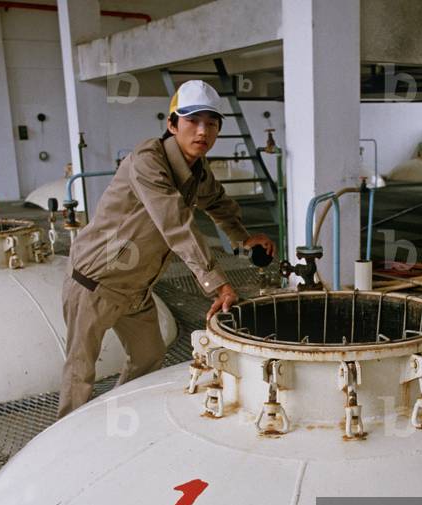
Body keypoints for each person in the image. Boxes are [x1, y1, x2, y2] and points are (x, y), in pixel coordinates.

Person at [57, 80, 275, 418]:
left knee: (148, 357)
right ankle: (65, 446)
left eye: (212, 122)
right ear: (172, 125)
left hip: (138, 287)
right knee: (80, 373)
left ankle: (122, 419)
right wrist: (216, 282)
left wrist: (243, 238)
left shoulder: (198, 172)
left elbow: (218, 202)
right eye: (192, 121)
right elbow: (174, 221)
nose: (202, 131)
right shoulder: (148, 160)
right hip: (96, 283)